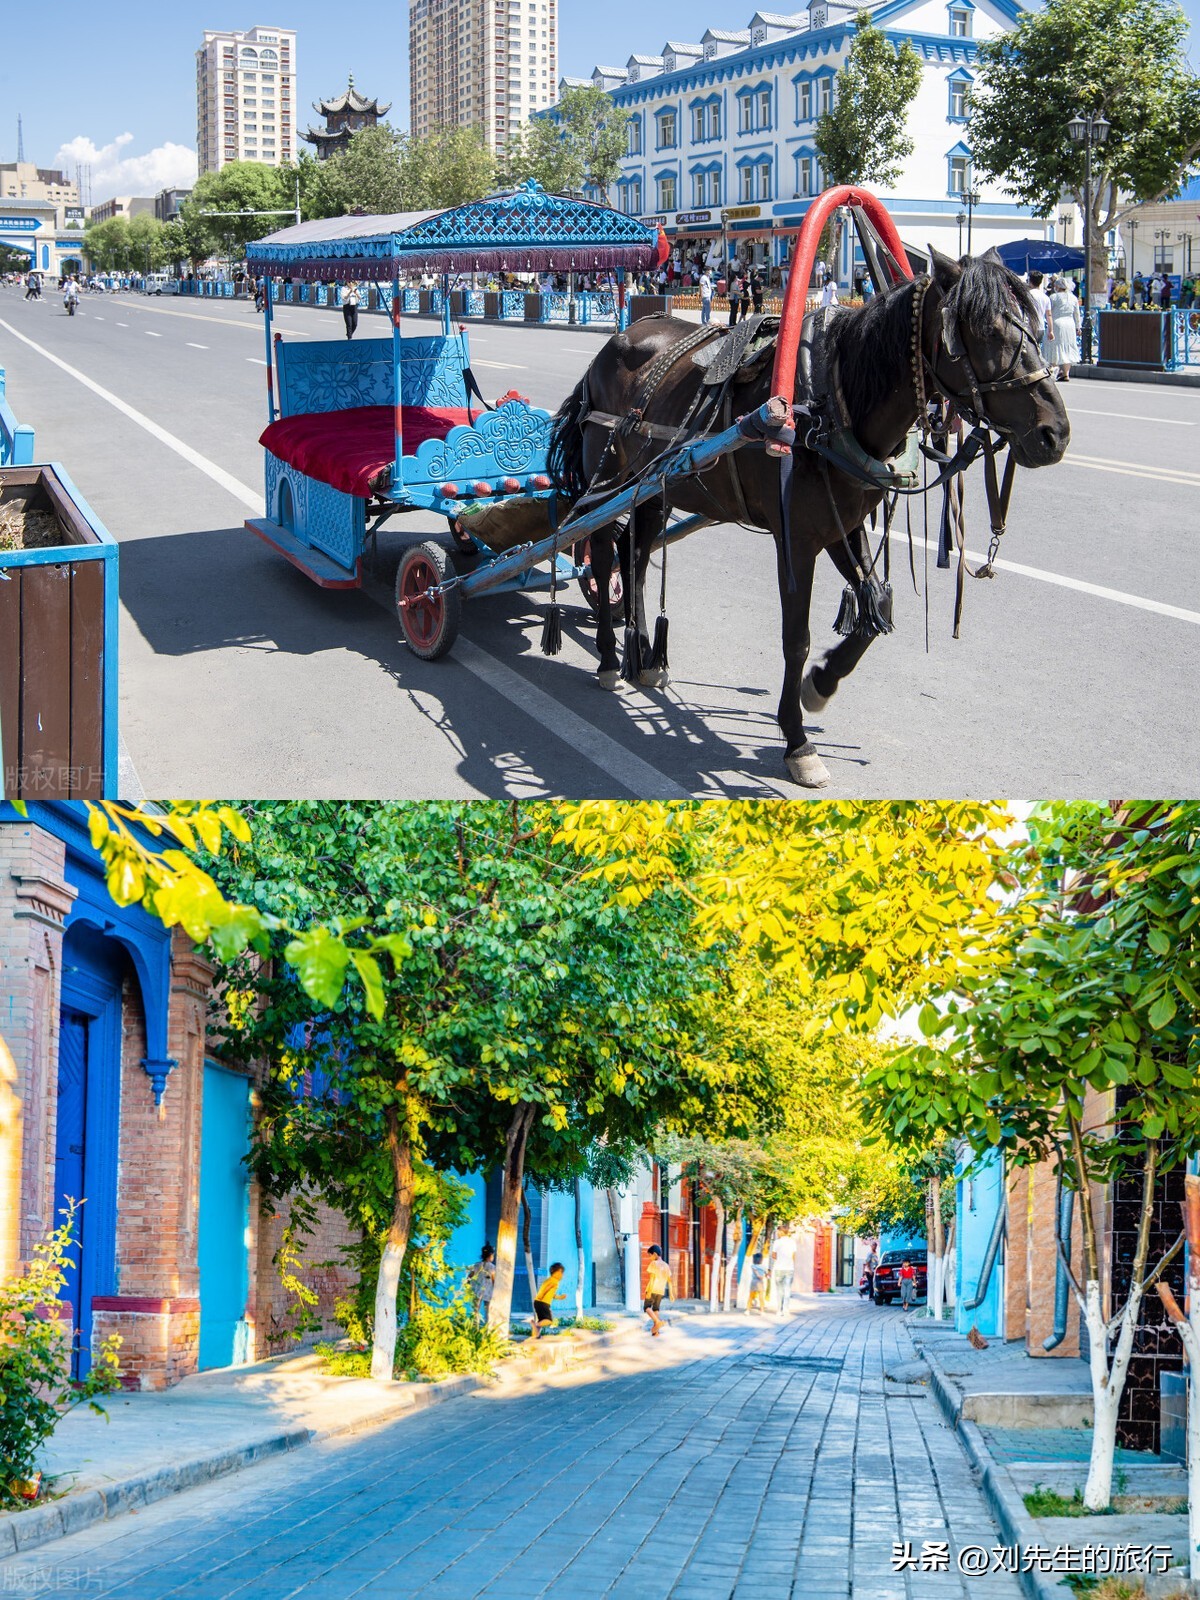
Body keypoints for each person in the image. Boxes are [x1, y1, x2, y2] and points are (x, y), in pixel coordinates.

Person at [1047, 274, 1081, 381]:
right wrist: (1078, 327)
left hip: (1057, 322)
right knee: (1068, 347)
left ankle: (1054, 370)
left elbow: (1048, 311)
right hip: (1070, 323)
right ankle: (1066, 374)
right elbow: (1077, 314)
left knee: (1055, 346)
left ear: (1057, 287)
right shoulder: (1073, 298)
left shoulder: (1053, 297)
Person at [530, 1261, 566, 1339]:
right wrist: (541, 1296)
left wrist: (560, 1297)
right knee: (549, 1321)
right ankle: (535, 1325)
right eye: (562, 1273)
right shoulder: (554, 1281)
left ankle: (536, 1335)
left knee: (541, 1320)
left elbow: (551, 1294)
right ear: (558, 1272)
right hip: (543, 1303)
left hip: (538, 1302)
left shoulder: (549, 1280)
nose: (562, 1276)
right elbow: (546, 1289)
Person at [644, 1244, 672, 1336]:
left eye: (650, 1255)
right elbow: (670, 1281)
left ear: (655, 1254)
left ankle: (657, 1321)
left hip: (652, 1289)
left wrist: (649, 1291)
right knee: (656, 1309)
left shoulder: (654, 1264)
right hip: (660, 1291)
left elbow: (652, 1278)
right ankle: (656, 1332)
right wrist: (671, 1294)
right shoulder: (666, 1265)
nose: (650, 1258)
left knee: (647, 1308)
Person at [466, 1243, 496, 1325]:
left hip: (476, 1291)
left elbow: (469, 1277)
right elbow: (494, 1280)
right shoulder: (492, 1267)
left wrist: (468, 1286)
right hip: (488, 1292)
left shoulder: (476, 1265)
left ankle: (475, 1327)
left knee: (475, 1311)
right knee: (488, 1311)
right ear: (490, 1255)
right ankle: (488, 1327)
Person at [1026, 270, 1053, 356]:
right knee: (1037, 349)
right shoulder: (1045, 297)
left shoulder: (1027, 295)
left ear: (1030, 281)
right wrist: (1051, 330)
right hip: (1040, 327)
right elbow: (1049, 315)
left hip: (1028, 326)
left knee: (1028, 350)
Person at [771, 1229, 797, 1316]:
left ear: (782, 1232)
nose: (777, 1233)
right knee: (787, 1289)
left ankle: (779, 1310)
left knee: (779, 1290)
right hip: (789, 1268)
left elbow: (773, 1255)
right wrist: (791, 1265)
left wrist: (779, 1260)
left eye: (778, 1232)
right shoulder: (792, 1242)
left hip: (779, 1268)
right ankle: (786, 1310)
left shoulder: (777, 1242)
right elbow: (793, 1256)